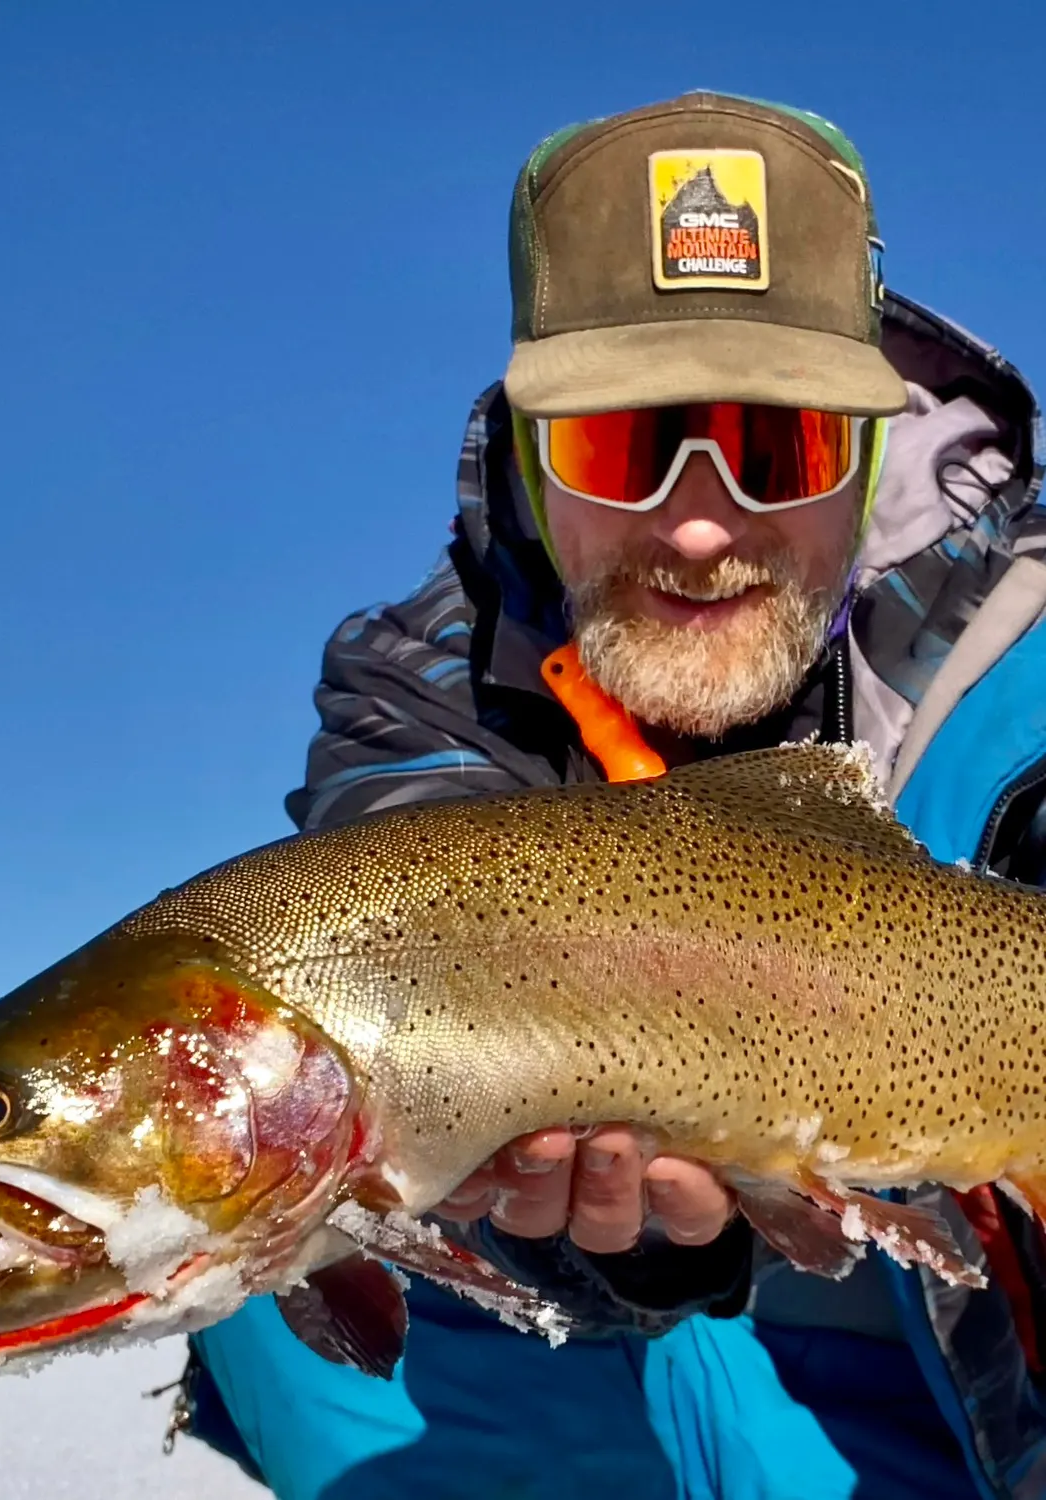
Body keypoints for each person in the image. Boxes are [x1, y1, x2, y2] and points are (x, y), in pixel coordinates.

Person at [177, 92, 1046, 1499]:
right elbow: (418, 1056)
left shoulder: (1030, 633)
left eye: (778, 453)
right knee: (267, 1256)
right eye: (625, 447)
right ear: (529, 448)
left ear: (869, 452)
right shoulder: (424, 688)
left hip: (984, 1329)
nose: (701, 525)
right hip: (700, 1340)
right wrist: (610, 1234)